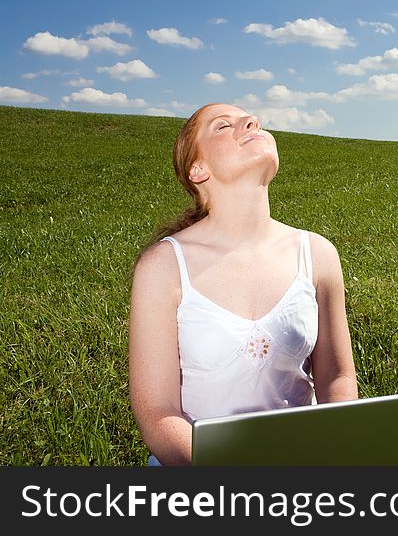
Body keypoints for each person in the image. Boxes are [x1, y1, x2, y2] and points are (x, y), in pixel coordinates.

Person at [128, 103, 358, 465]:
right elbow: (159, 413)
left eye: (252, 121)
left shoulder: (318, 254)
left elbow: (336, 376)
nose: (251, 122)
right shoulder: (163, 266)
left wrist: (341, 449)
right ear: (197, 170)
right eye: (223, 126)